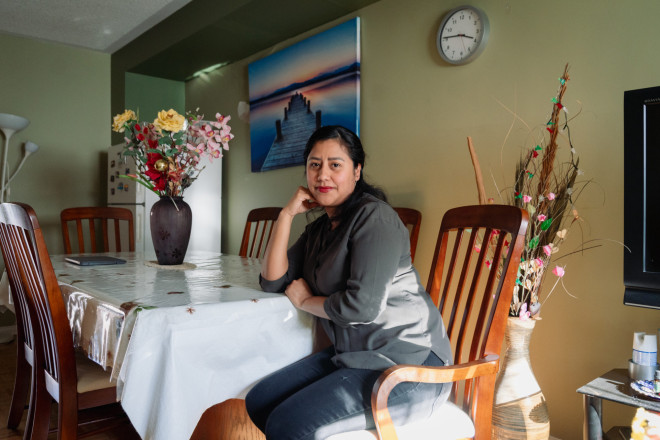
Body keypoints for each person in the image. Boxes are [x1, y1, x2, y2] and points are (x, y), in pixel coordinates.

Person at [245, 125, 452, 440]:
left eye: (335, 164)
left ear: (357, 171)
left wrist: (304, 302)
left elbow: (362, 308)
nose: (322, 174)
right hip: (355, 354)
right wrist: (286, 215)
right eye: (315, 165)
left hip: (410, 365)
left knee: (288, 424)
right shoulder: (320, 229)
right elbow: (272, 282)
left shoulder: (375, 218)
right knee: (259, 401)